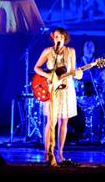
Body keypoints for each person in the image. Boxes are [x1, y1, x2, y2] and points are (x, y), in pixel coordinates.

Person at [34, 28, 83, 166]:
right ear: (53, 38)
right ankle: (47, 153)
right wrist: (49, 75)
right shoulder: (48, 51)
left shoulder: (71, 51)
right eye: (56, 36)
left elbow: (73, 70)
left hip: (66, 89)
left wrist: (78, 73)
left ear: (65, 37)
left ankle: (60, 152)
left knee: (64, 122)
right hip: (52, 89)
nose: (58, 38)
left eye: (61, 36)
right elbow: (36, 68)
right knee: (51, 121)